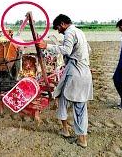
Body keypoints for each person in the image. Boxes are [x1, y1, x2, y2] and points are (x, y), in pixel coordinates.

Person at [38, 14, 93, 148]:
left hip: (75, 74)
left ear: (62, 24)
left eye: (58, 28)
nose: (58, 31)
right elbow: (88, 50)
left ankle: (69, 132)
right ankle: (80, 137)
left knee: (63, 100)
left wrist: (47, 46)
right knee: (79, 108)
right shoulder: (80, 32)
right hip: (85, 72)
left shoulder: (69, 32)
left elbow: (67, 50)